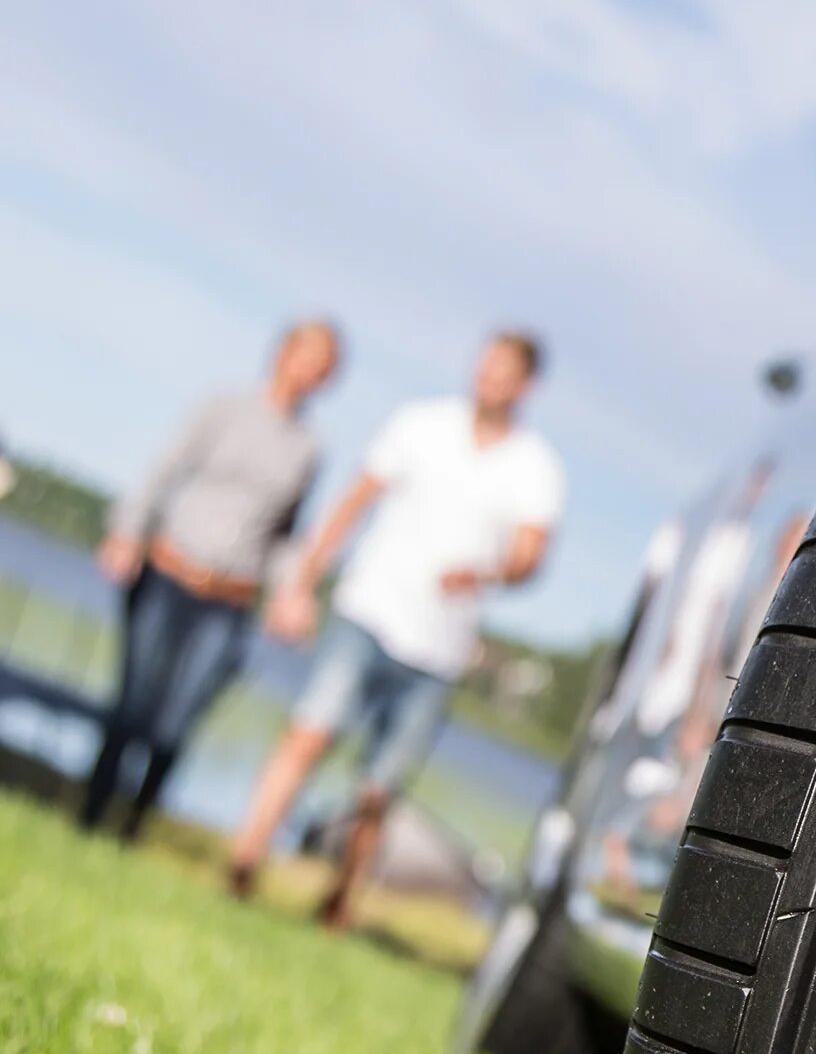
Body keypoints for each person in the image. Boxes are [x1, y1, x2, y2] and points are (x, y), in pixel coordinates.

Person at [229, 330, 563, 928]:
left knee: (379, 788)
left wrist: (489, 570)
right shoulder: (422, 423)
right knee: (308, 734)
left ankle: (339, 901)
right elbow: (355, 502)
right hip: (369, 610)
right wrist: (301, 581)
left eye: (501, 372)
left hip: (439, 649)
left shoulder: (535, 467)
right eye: (483, 366)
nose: (486, 378)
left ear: (526, 386)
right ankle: (244, 860)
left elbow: (530, 556)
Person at [80, 320, 342, 839]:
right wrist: (126, 533)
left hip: (230, 598)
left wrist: (292, 594)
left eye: (321, 368)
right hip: (168, 570)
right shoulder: (223, 407)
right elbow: (167, 468)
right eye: (304, 358)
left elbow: (286, 535)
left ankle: (131, 826)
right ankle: (89, 816)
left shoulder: (308, 449)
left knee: (176, 721)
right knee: (134, 704)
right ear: (282, 354)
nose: (308, 373)